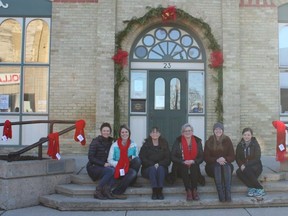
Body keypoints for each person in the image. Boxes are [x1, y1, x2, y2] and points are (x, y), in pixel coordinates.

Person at [171, 123, 204, 201]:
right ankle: (188, 190)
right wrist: (183, 161)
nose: (187, 132)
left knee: (194, 165)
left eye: (189, 131)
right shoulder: (178, 141)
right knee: (184, 166)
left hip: (193, 165)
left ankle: (194, 190)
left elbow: (201, 157)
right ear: (182, 132)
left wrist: (193, 161)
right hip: (181, 166)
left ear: (192, 132)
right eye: (185, 131)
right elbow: (172, 156)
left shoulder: (197, 141)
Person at [108, 124, 141, 199]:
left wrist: (131, 157)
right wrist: (119, 164)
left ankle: (132, 181)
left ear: (129, 133)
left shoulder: (133, 144)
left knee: (137, 160)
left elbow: (136, 156)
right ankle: (116, 192)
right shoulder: (115, 145)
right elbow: (109, 160)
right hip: (119, 168)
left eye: (126, 132)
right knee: (132, 172)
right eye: (122, 132)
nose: (124, 134)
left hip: (128, 166)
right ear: (120, 133)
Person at [204, 122, 235, 202]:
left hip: (225, 164)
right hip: (212, 167)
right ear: (213, 130)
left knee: (226, 166)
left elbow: (232, 156)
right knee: (217, 167)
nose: (218, 131)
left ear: (223, 130)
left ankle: (228, 193)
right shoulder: (209, 141)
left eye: (220, 129)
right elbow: (206, 157)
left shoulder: (227, 140)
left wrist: (224, 158)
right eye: (216, 129)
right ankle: (221, 194)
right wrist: (217, 160)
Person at [139, 127, 171, 200]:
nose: (155, 134)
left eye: (157, 132)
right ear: (150, 134)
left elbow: (168, 159)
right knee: (153, 169)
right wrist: (153, 164)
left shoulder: (164, 144)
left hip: (162, 168)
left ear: (159, 134)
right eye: (153, 132)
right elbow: (142, 157)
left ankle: (160, 191)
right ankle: (154, 191)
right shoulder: (146, 144)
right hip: (148, 168)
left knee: (160, 169)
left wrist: (159, 164)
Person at [86, 122, 115, 200]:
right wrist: (103, 164)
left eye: (108, 131)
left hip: (104, 165)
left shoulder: (110, 142)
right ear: (101, 132)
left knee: (116, 170)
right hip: (93, 166)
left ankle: (107, 190)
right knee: (110, 171)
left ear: (110, 132)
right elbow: (90, 157)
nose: (106, 132)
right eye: (104, 131)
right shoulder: (95, 142)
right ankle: (98, 190)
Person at [236, 127, 265, 197]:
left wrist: (245, 165)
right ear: (242, 135)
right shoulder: (240, 145)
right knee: (238, 171)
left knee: (247, 170)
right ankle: (251, 187)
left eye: (248, 135)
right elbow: (237, 158)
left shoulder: (255, 144)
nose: (246, 136)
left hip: (256, 167)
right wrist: (241, 165)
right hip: (245, 167)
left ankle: (260, 188)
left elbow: (257, 158)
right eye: (245, 135)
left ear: (251, 135)